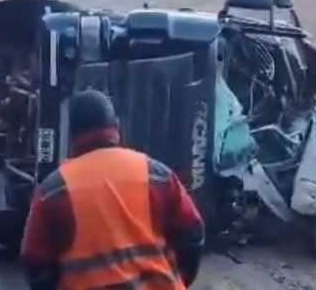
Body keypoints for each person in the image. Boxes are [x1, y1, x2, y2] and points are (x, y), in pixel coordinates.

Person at [20, 90, 205, 290]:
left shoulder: (53, 190)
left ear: (72, 135)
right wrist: (179, 279)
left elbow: (35, 262)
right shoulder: (156, 174)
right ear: (116, 126)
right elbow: (192, 233)